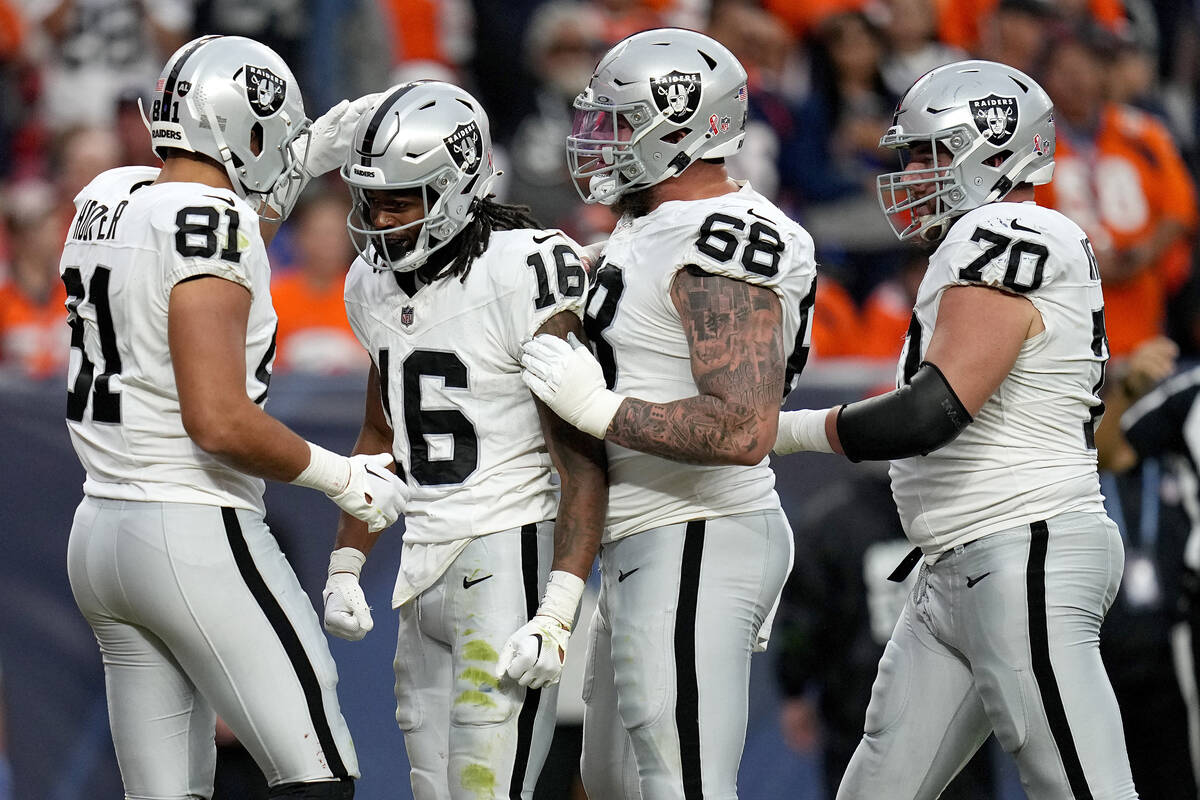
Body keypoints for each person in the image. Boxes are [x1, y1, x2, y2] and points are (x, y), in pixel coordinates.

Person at [771, 60, 1139, 799]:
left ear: (994, 151)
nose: (910, 172)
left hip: (1022, 543)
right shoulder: (986, 239)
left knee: (1083, 787)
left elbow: (933, 410)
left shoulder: (1007, 228)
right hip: (959, 561)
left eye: (929, 153)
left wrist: (781, 432)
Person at [62, 35, 406, 800]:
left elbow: (212, 257)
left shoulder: (108, 196)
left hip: (101, 531)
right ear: (240, 130)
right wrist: (342, 477)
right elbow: (216, 420)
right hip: (191, 527)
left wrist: (306, 158)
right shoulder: (211, 221)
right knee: (318, 774)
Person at [519, 28, 818, 798]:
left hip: (697, 531)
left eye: (618, 122)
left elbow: (743, 428)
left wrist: (599, 408)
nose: (596, 140)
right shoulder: (648, 225)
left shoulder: (724, 236)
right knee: (614, 784)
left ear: (682, 128)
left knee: (680, 782)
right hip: (652, 534)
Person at [320, 81, 607, 800]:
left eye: (399, 200)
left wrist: (560, 606)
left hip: (509, 554)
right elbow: (382, 429)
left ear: (455, 189)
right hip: (424, 564)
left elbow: (580, 462)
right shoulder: (370, 283)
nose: (378, 220)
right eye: (371, 200)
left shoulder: (524, 268)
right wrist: (347, 562)